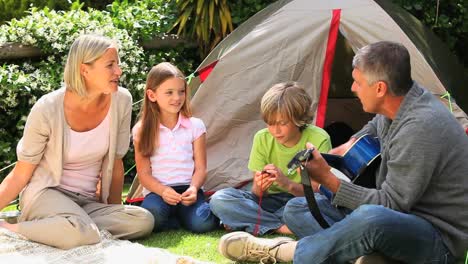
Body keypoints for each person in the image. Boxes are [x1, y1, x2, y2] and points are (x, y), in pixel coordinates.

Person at [218, 41, 468, 263]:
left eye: (358, 82)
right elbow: (369, 131)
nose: (352, 88)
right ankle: (365, 256)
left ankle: (282, 252)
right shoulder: (400, 106)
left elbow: (392, 206)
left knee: (372, 218)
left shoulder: (421, 126)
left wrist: (328, 178)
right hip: (396, 223)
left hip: (437, 240)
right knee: (297, 208)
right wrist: (333, 153)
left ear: (380, 88)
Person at [0, 34, 154, 249]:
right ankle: (8, 229)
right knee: (83, 232)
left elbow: (116, 164)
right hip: (46, 195)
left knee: (142, 220)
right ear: (84, 69)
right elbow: (20, 173)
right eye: (110, 65)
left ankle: (66, 228)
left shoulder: (121, 100)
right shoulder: (47, 108)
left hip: (87, 203)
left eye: (117, 64)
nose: (118, 71)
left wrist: (113, 210)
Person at [209, 82, 332, 236]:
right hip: (270, 202)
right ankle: (281, 227)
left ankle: (247, 222)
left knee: (302, 208)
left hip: (301, 202)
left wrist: (287, 184)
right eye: (270, 124)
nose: (275, 130)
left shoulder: (318, 138)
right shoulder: (262, 138)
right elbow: (257, 194)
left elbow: (318, 192)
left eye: (282, 123)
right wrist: (260, 187)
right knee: (220, 199)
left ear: (298, 119)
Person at [132, 62, 218, 233]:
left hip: (188, 190)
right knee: (152, 215)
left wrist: (194, 188)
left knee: (204, 224)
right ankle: (176, 219)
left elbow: (201, 168)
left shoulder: (195, 126)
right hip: (158, 192)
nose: (177, 98)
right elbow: (144, 174)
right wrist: (163, 191)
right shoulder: (142, 130)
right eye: (169, 93)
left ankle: (183, 217)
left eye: (181, 92)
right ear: (152, 95)